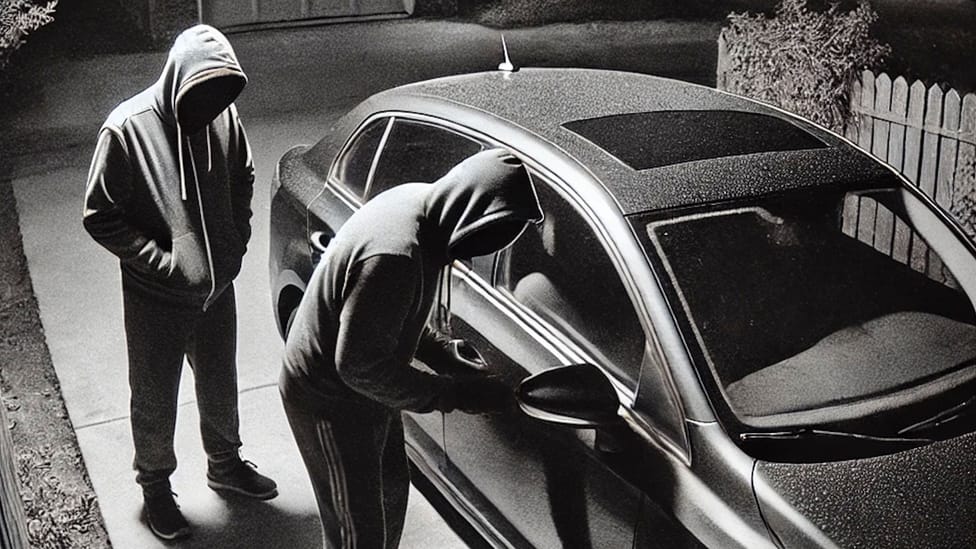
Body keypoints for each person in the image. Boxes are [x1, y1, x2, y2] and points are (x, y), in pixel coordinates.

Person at [279, 148, 543, 548]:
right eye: (482, 235)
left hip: (370, 395)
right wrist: (453, 394)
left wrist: (439, 352)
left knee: (389, 497)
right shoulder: (397, 253)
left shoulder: (427, 207)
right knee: (357, 532)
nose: (479, 250)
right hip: (327, 400)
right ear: (464, 207)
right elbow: (358, 366)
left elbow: (382, 316)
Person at [82, 24, 276, 541]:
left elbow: (244, 175)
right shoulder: (125, 129)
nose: (210, 107)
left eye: (219, 96)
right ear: (177, 81)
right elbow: (100, 214)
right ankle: (154, 491)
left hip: (217, 289)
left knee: (220, 385)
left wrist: (236, 239)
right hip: (155, 299)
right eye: (201, 95)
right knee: (154, 396)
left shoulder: (223, 113)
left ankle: (226, 466)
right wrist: (161, 263)